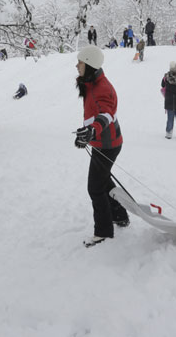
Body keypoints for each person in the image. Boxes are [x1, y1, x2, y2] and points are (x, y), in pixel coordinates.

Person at [73, 46, 129, 247]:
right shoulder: (91, 83)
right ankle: (120, 216)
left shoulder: (102, 87)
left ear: (89, 64)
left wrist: (92, 131)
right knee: (103, 182)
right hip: (103, 142)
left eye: (80, 62)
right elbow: (94, 114)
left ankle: (103, 231)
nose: (77, 66)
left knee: (95, 188)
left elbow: (106, 114)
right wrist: (86, 133)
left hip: (108, 144)